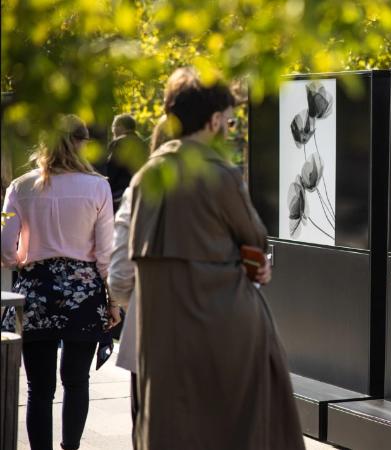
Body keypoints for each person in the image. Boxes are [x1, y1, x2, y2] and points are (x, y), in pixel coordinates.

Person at [129, 69, 305, 449]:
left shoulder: (145, 178)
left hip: (162, 335)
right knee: (240, 425)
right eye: (227, 119)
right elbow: (255, 241)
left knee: (170, 424)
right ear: (213, 121)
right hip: (226, 328)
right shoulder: (218, 173)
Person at [1, 114, 121, 450]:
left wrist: (22, 259)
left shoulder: (20, 187)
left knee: (38, 388)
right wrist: (113, 303)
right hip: (83, 291)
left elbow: (4, 248)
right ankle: (71, 447)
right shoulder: (98, 186)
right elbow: (105, 253)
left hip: (35, 291)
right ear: (83, 142)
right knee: (77, 381)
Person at [108, 115, 175, 430]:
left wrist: (124, 301)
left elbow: (120, 273)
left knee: (149, 421)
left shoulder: (142, 187)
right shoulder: (224, 183)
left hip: (151, 319)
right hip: (210, 330)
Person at [104, 114, 148, 211]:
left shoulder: (119, 142)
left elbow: (111, 171)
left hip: (120, 196)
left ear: (120, 127)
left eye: (113, 127)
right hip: (140, 193)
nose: (112, 131)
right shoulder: (144, 144)